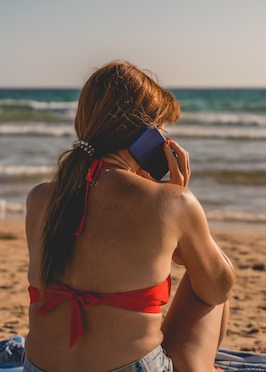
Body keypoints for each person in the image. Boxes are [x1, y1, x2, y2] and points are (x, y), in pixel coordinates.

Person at [23, 61, 235, 372]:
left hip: (37, 368)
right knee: (213, 270)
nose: (164, 138)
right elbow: (219, 287)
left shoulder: (39, 198)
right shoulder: (171, 202)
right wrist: (180, 200)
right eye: (161, 128)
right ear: (145, 133)